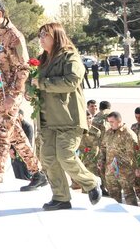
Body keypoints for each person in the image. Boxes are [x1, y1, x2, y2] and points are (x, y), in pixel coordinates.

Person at [0, 0, 47, 202]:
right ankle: (38, 174)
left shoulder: (13, 37)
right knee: (17, 137)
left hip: (11, 97)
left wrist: (13, 96)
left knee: (1, 137)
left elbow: (24, 68)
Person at [33, 22, 100, 211]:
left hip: (68, 118)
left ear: (57, 37)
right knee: (47, 159)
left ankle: (91, 183)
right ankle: (61, 197)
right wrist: (31, 89)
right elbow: (36, 84)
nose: (41, 39)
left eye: (45, 35)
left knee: (65, 155)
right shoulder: (42, 59)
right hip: (46, 118)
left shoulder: (70, 57)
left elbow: (71, 81)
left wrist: (42, 83)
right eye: (40, 35)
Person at [100, 111, 139, 205]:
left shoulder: (128, 134)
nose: (110, 124)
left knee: (129, 195)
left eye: (112, 121)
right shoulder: (108, 132)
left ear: (119, 120)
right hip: (110, 170)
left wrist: (135, 168)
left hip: (125, 171)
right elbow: (103, 148)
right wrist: (101, 161)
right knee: (113, 195)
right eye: (109, 122)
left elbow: (133, 154)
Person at [10, 110, 33, 181]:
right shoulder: (12, 126)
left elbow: (28, 142)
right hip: (13, 154)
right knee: (17, 176)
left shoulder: (28, 127)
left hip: (24, 155)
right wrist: (10, 150)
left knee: (25, 177)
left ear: (21, 116)